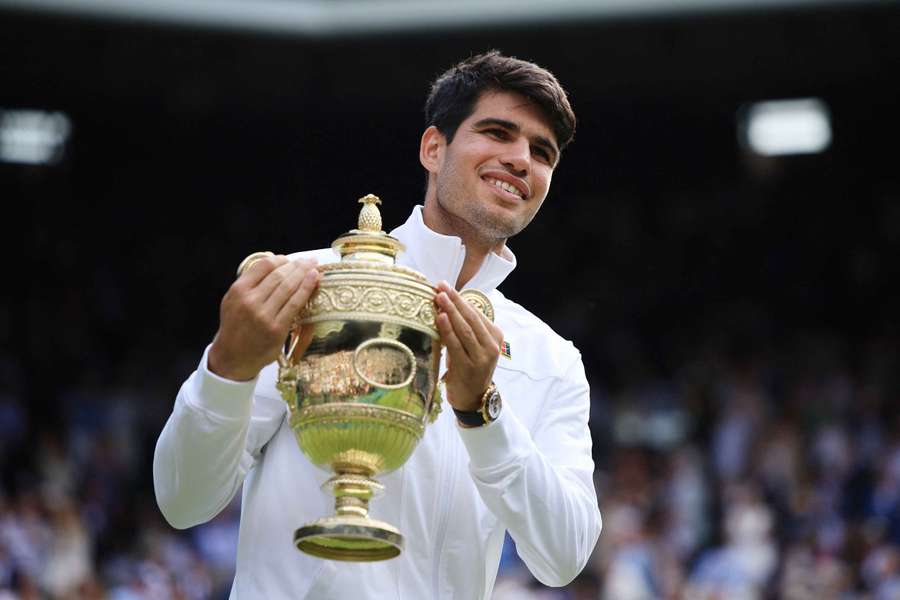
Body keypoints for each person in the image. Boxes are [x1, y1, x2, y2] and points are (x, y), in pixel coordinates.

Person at [153, 50, 602, 599]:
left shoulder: (549, 358)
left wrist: (481, 412)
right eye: (497, 132)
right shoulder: (307, 287)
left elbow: (566, 557)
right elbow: (182, 500)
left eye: (542, 152)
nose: (520, 159)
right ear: (433, 148)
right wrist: (227, 367)